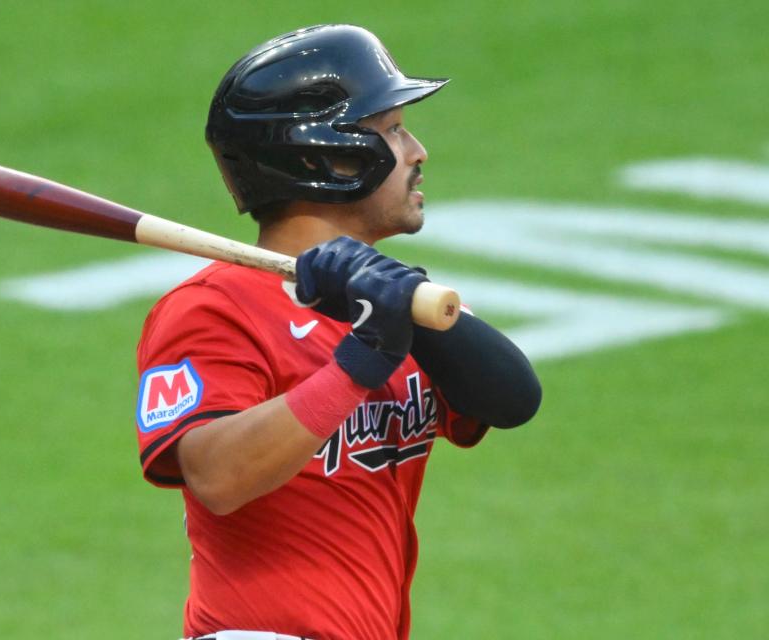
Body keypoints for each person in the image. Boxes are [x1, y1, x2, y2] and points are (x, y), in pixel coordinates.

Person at [135, 24, 542, 640]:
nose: (417, 150)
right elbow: (217, 477)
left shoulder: (387, 302)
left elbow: (512, 398)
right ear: (327, 155)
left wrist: (399, 309)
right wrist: (357, 365)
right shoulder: (214, 307)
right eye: (393, 130)